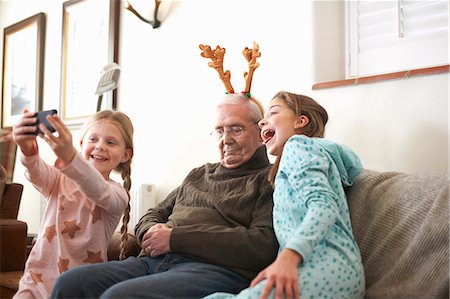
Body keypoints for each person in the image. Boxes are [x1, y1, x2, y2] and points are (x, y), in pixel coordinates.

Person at [50, 93, 279, 299]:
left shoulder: (268, 179)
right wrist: (151, 233)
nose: (226, 139)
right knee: (71, 283)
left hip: (214, 270)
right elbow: (153, 214)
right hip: (154, 262)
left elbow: (262, 245)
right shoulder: (199, 174)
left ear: (260, 132)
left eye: (236, 129)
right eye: (219, 130)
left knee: (120, 296)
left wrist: (175, 238)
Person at [207, 91, 365, 299]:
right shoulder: (302, 157)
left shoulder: (298, 146)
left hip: (324, 268)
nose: (263, 122)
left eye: (273, 113)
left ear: (300, 121)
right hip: (336, 272)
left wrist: (287, 259)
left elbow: (324, 206)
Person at [12, 109, 134, 298]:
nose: (100, 146)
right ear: (81, 144)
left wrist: (70, 158)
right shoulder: (59, 178)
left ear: (125, 155)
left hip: (80, 286)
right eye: (93, 139)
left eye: (110, 142)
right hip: (36, 281)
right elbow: (36, 172)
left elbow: (99, 190)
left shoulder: (118, 195)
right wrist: (28, 150)